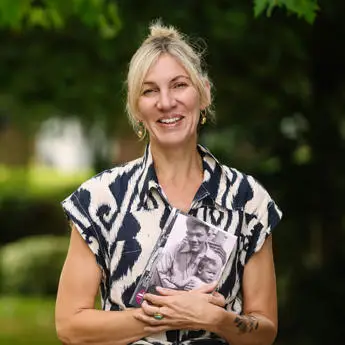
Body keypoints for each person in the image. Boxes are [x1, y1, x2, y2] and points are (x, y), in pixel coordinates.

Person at [55, 21, 282, 345]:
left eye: (179, 85)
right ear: (137, 108)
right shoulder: (99, 200)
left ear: (203, 93)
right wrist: (164, 315)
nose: (166, 102)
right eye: (150, 91)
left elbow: (265, 331)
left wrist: (215, 318)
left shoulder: (247, 200)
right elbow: (69, 327)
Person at [154, 217, 221, 289]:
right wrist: (176, 289)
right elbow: (158, 272)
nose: (193, 239)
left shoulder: (216, 260)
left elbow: (213, 287)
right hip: (168, 294)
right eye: (190, 234)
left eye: (199, 235)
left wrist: (202, 288)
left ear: (208, 235)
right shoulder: (175, 249)